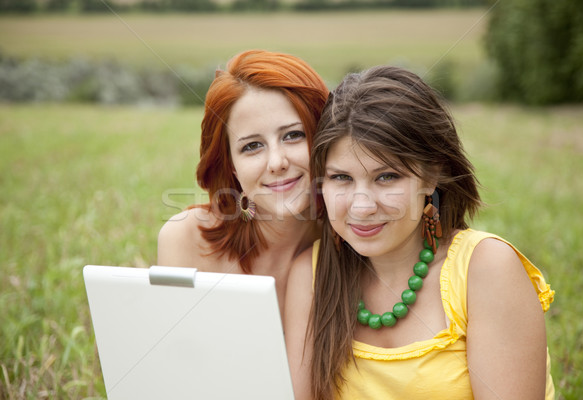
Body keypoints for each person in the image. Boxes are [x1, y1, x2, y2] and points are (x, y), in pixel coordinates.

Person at [284, 65, 555, 399]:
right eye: (341, 178)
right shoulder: (310, 275)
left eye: (386, 177)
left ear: (431, 177)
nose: (362, 206)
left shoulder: (485, 269)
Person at [157, 49, 329, 315]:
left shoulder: (352, 241)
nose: (276, 162)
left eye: (293, 135)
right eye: (252, 146)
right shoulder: (185, 239)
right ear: (232, 167)